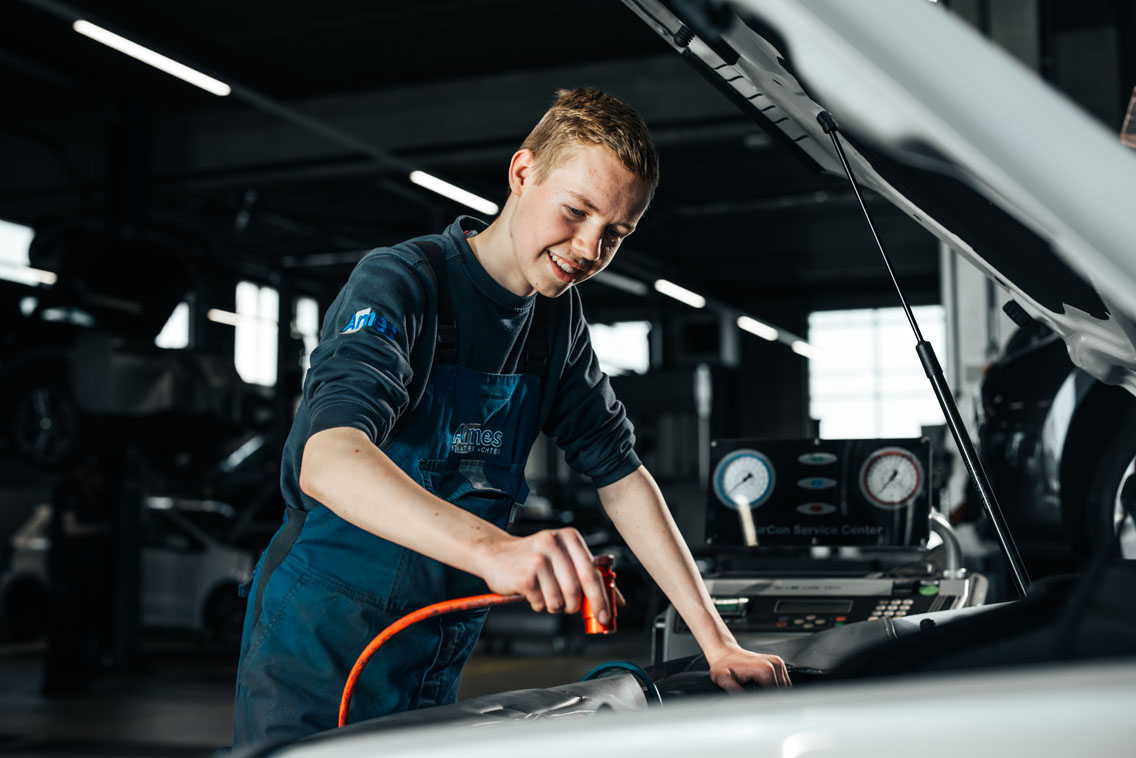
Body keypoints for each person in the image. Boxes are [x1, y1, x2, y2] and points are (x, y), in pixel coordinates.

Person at [230, 87, 789, 749]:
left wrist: (718, 643)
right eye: (576, 212)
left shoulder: (555, 325)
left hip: (434, 646)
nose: (588, 249)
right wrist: (494, 550)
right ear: (523, 173)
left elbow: (622, 476)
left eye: (615, 233)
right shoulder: (403, 284)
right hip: (319, 648)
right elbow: (329, 458)